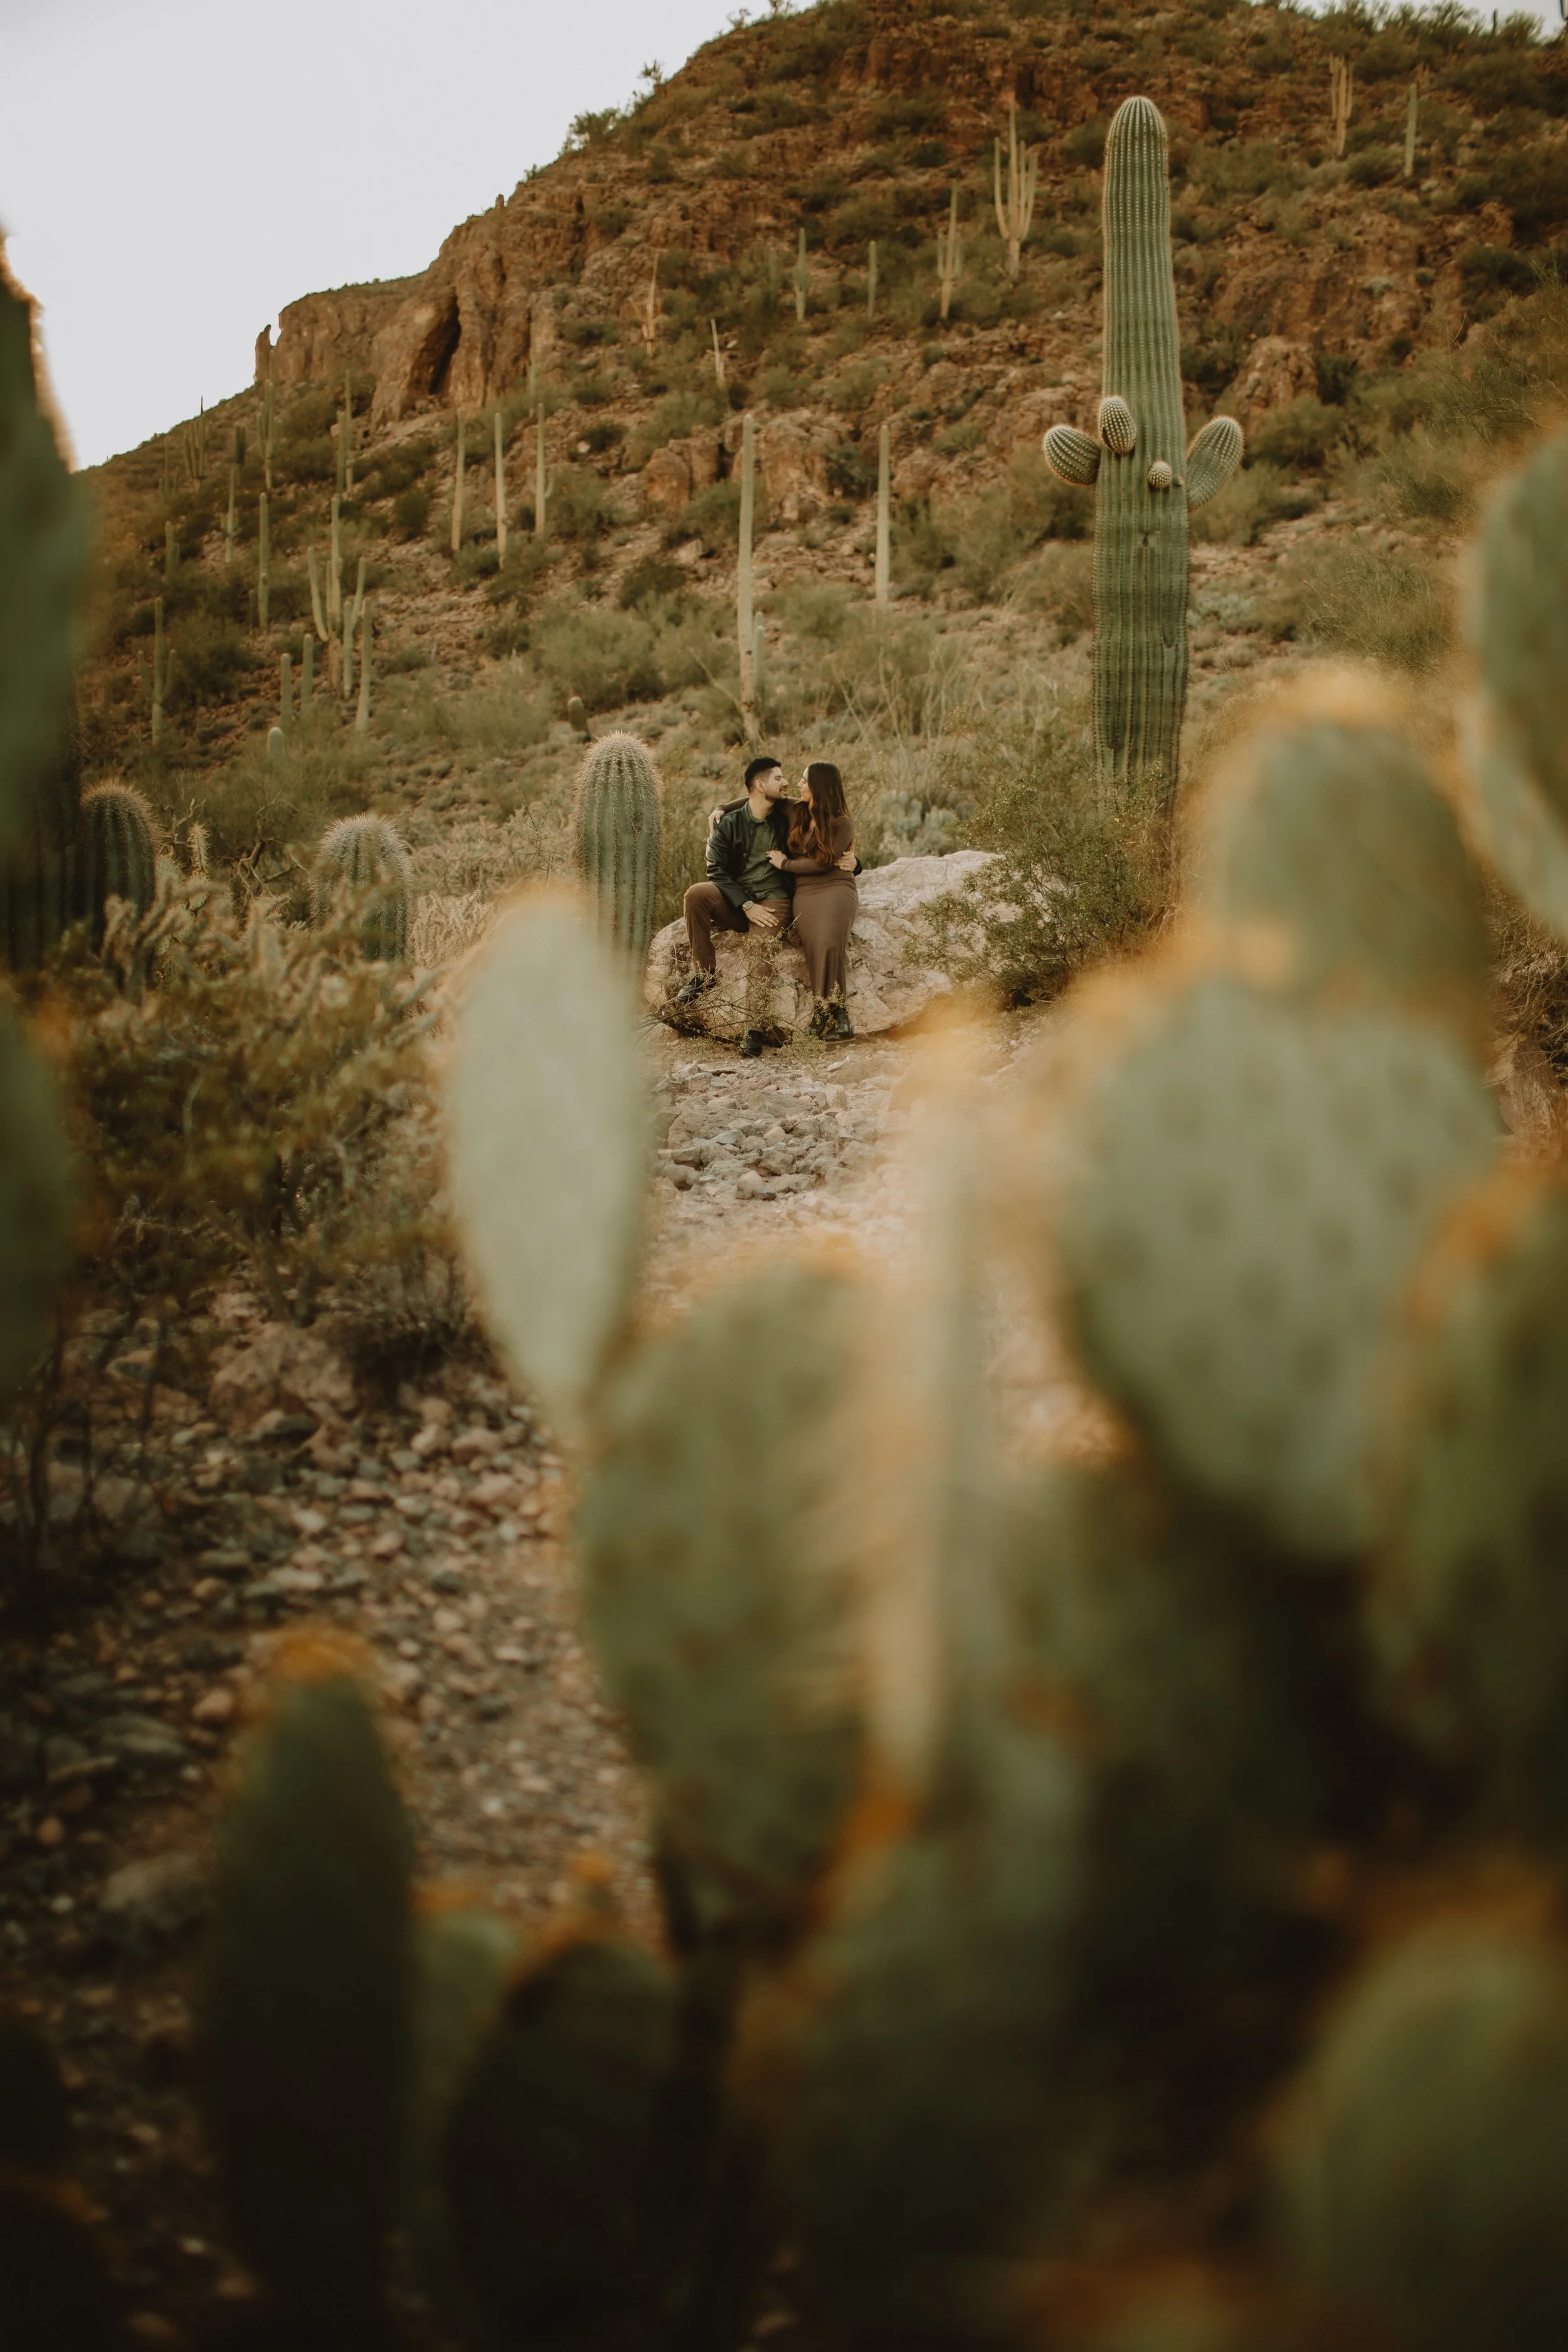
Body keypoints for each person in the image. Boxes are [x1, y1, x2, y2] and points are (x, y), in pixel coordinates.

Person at [677, 754, 795, 1057]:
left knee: (759, 951)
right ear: (760, 785)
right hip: (738, 900)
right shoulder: (729, 825)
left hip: (773, 899)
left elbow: (820, 808)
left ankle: (754, 1030)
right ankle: (704, 974)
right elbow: (715, 869)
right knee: (696, 894)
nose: (786, 783)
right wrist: (745, 904)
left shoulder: (785, 814)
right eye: (779, 778)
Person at [770, 760, 858, 1039]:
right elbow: (759, 796)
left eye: (805, 780)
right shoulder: (796, 810)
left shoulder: (842, 823)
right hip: (805, 893)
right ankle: (839, 1019)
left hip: (835, 888)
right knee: (815, 949)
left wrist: (785, 864)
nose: (799, 784)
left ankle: (823, 1015)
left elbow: (823, 863)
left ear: (819, 786)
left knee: (830, 943)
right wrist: (722, 809)